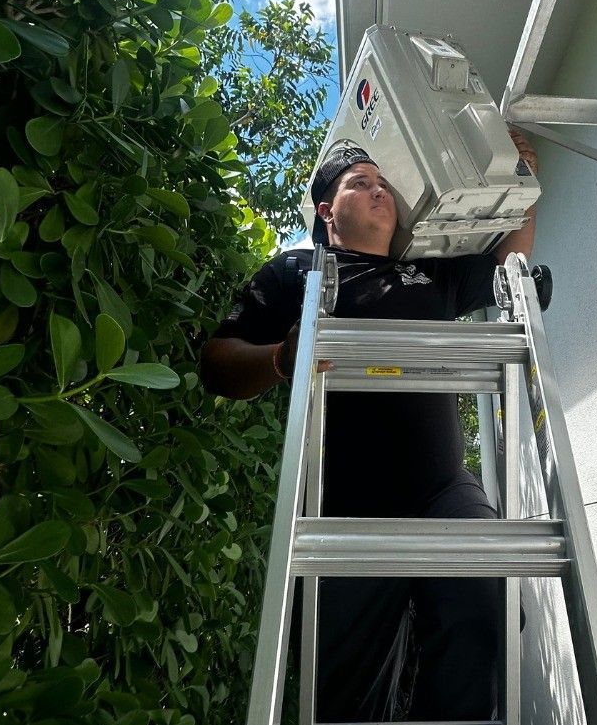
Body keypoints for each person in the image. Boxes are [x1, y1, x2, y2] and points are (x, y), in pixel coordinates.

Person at [201, 131, 538, 721]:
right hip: (345, 504)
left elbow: (509, 267)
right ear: (328, 209)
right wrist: (282, 358)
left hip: (442, 490)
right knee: (343, 695)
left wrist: (522, 183)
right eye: (362, 183)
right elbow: (217, 362)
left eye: (383, 184)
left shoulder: (427, 272)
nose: (380, 191)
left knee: (494, 607)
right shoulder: (297, 272)